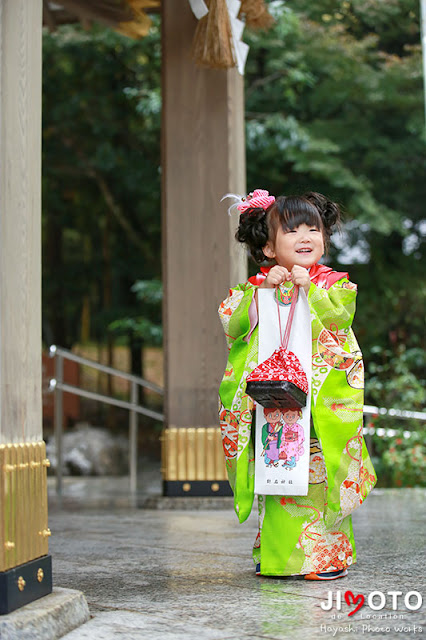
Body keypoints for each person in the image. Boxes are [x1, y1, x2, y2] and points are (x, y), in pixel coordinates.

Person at [218, 189, 376, 580]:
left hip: (319, 405)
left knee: (318, 473)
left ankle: (326, 557)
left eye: (313, 228)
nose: (306, 236)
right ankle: (275, 554)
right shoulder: (254, 288)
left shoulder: (334, 284)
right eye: (292, 231)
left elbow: (339, 322)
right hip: (273, 398)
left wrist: (313, 290)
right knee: (276, 471)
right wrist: (262, 293)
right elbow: (234, 326)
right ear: (269, 248)